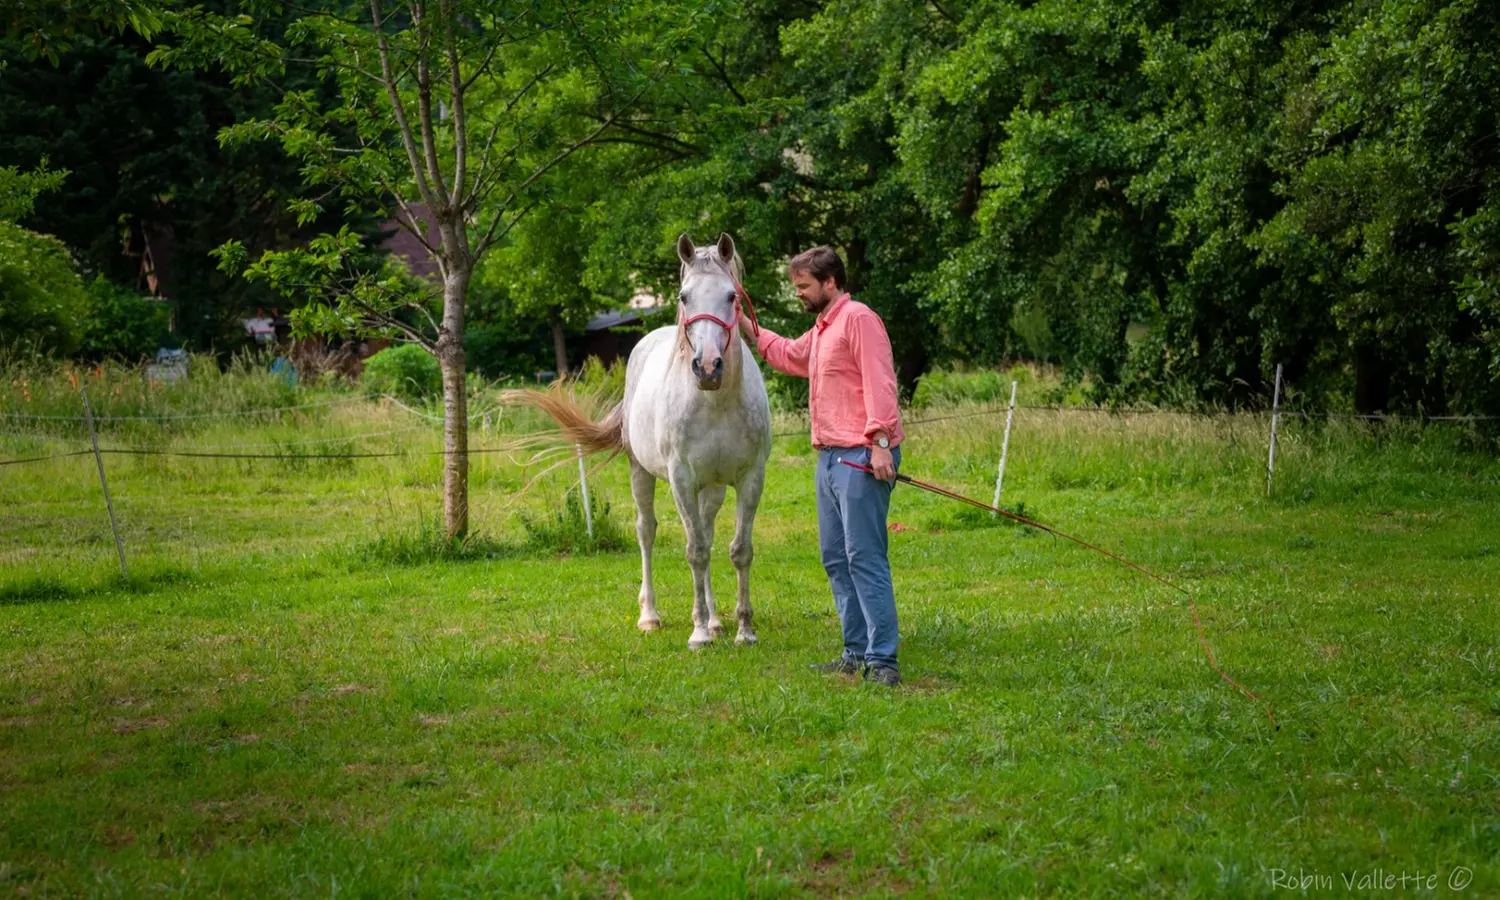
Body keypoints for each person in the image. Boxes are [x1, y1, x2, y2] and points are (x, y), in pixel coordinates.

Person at [739, 246, 906, 686]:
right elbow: (789, 354)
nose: (798, 293)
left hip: (861, 456)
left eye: (804, 286)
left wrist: (881, 442)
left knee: (864, 557)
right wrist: (746, 325)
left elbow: (880, 382)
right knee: (836, 558)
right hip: (830, 458)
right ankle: (855, 652)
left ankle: (883, 661)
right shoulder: (822, 330)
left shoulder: (859, 320)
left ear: (830, 282)